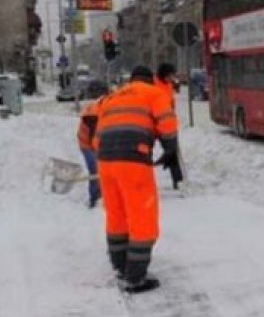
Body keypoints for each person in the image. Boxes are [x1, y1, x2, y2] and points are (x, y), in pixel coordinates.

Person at [94, 65, 179, 294]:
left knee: (116, 213)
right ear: (150, 80)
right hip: (132, 159)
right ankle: (136, 277)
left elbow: (97, 133)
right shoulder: (154, 93)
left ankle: (121, 266)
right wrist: (170, 150)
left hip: (104, 161)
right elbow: (167, 123)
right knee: (142, 214)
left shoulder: (113, 97)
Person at [154, 62, 185, 190]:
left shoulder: (169, 85)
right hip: (154, 124)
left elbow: (171, 103)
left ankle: (177, 180)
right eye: (170, 75)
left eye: (172, 75)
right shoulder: (154, 84)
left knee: (173, 152)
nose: (171, 78)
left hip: (167, 124)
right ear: (163, 75)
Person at [77, 96, 105, 208]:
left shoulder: (102, 109)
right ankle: (94, 197)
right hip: (86, 144)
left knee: (101, 168)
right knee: (94, 168)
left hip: (94, 142)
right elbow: (92, 138)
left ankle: (101, 193)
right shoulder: (93, 116)